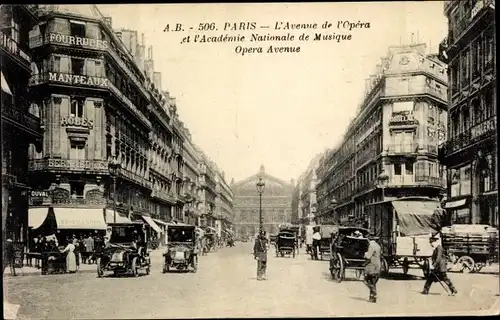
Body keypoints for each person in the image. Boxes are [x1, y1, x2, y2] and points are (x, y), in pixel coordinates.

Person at [364, 234, 381, 303]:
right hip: (378, 265)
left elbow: (368, 256)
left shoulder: (371, 246)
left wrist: (364, 254)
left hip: (372, 266)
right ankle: (372, 298)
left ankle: (374, 293)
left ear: (369, 239)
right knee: (373, 282)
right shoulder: (378, 246)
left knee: (366, 280)